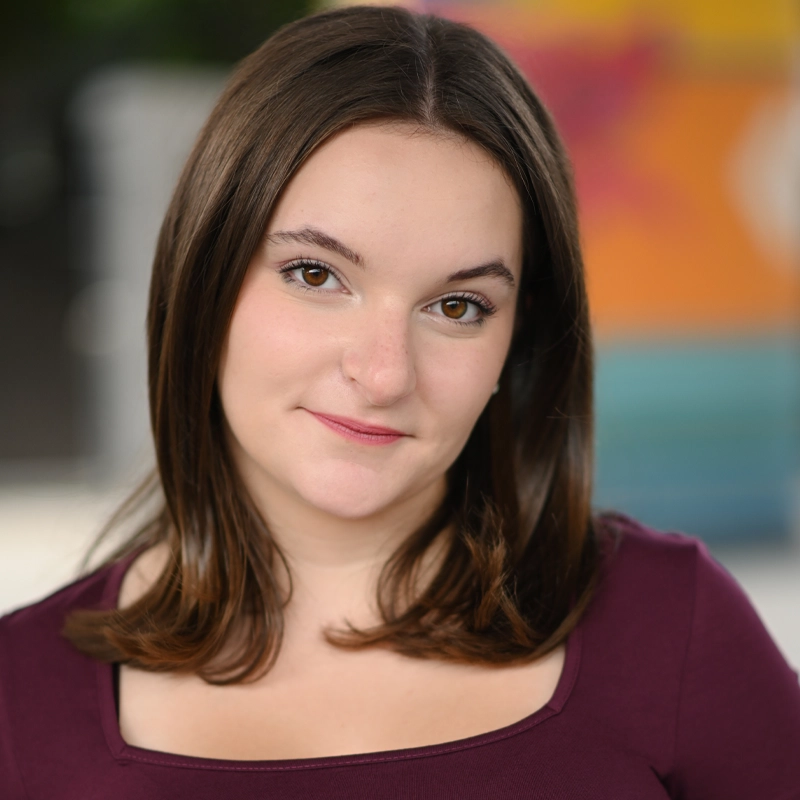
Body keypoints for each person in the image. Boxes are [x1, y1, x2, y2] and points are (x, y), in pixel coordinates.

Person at [1, 5, 799, 798]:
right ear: (202, 279)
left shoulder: (671, 627)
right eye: (316, 275)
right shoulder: (17, 702)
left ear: (518, 342)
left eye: (457, 307)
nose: (384, 375)